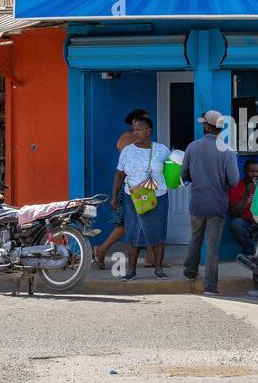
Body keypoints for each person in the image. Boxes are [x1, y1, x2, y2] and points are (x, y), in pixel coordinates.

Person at [181, 110, 240, 295]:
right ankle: (210, 287)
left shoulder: (192, 147)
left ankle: (190, 272)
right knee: (213, 246)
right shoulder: (228, 151)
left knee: (195, 238)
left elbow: (184, 174)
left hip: (197, 203)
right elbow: (234, 181)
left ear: (207, 126)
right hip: (217, 204)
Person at [112, 114, 171, 280]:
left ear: (148, 131)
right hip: (133, 198)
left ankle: (158, 269)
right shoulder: (127, 151)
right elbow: (119, 175)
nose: (135, 133)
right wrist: (114, 196)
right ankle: (131, 270)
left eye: (139, 130)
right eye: (134, 130)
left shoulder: (162, 150)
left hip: (158, 197)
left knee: (158, 232)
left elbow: (172, 170)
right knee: (132, 233)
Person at [95, 108, 150, 269]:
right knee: (127, 224)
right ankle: (102, 249)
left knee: (140, 223)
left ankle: (150, 259)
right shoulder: (128, 139)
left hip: (140, 187)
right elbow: (123, 170)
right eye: (142, 121)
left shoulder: (134, 139)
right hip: (132, 188)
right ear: (134, 122)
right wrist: (114, 195)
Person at [227, 159, 258, 255]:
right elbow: (234, 213)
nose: (255, 174)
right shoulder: (236, 186)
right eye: (252, 171)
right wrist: (246, 193)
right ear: (245, 172)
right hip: (246, 222)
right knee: (235, 224)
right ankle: (251, 251)